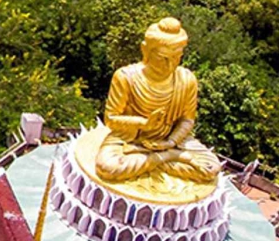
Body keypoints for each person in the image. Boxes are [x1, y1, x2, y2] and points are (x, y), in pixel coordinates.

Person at [94, 18, 221, 185]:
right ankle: (167, 159)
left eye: (176, 57)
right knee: (107, 168)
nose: (170, 65)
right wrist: (143, 123)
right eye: (163, 58)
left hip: (169, 140)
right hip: (130, 139)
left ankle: (155, 160)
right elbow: (111, 119)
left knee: (210, 168)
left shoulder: (186, 79)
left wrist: (170, 143)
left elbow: (187, 119)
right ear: (145, 50)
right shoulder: (126, 77)